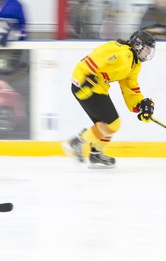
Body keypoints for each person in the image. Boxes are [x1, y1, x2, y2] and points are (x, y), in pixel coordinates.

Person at [64, 30, 156, 169]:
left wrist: (140, 105)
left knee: (105, 125)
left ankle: (96, 154)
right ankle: (78, 141)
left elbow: (130, 87)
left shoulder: (134, 64)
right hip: (86, 85)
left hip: (97, 87)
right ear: (138, 45)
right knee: (113, 123)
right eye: (147, 50)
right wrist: (85, 77)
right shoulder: (123, 53)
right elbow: (99, 57)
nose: (148, 53)